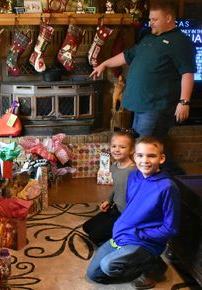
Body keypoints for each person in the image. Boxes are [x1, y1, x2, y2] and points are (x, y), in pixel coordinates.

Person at [90, 1, 196, 153]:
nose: (150, 23)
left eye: (155, 20)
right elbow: (128, 56)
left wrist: (184, 102)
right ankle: (171, 174)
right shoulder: (149, 37)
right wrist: (104, 64)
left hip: (156, 106)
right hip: (140, 104)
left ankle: (158, 175)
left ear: (168, 18)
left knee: (143, 148)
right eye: (150, 19)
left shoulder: (181, 42)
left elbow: (187, 73)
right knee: (147, 146)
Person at [86, 136, 180, 289]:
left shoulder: (167, 187)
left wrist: (139, 234)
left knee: (108, 265)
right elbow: (130, 208)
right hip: (124, 234)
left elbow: (170, 228)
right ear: (134, 156)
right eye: (140, 155)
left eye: (152, 155)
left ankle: (152, 265)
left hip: (144, 240)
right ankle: (147, 260)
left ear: (161, 158)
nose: (145, 160)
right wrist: (122, 228)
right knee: (95, 275)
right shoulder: (133, 176)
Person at [82, 131, 136, 246]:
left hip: (126, 215)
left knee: (94, 237)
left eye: (122, 147)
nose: (117, 149)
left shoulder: (133, 171)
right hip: (115, 209)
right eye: (114, 146)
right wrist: (108, 200)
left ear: (131, 150)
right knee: (86, 227)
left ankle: (125, 235)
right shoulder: (114, 166)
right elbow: (116, 187)